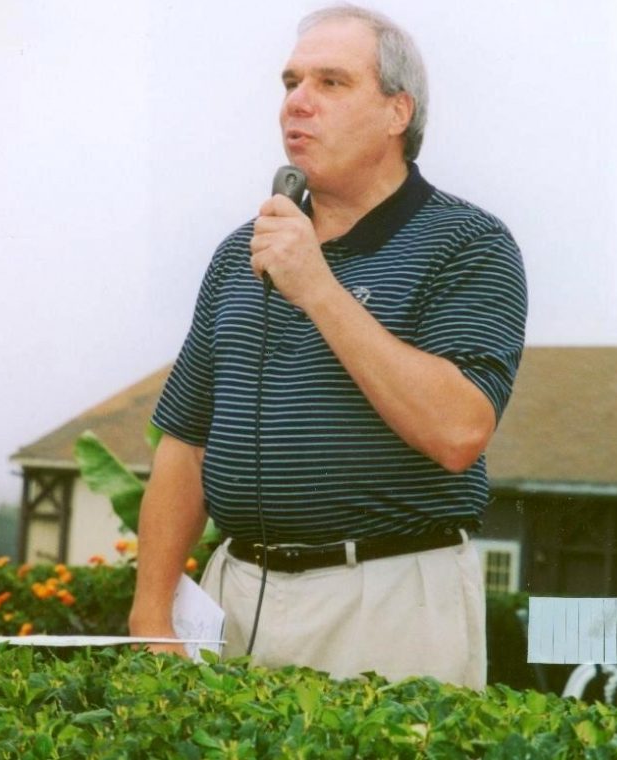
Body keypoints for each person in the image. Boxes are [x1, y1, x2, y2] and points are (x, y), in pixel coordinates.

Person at [129, 4, 527, 690]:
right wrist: (150, 613)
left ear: (397, 112)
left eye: (331, 84)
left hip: (389, 595)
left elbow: (460, 431)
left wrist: (317, 286)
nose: (297, 104)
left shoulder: (468, 245)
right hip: (235, 594)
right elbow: (186, 442)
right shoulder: (240, 256)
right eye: (290, 83)